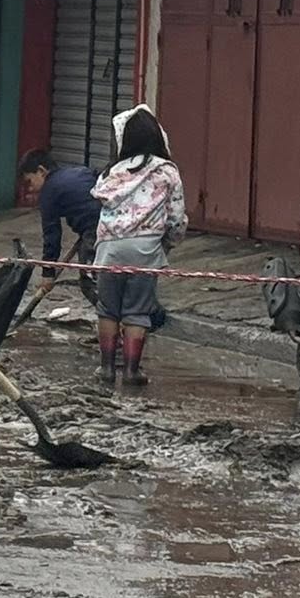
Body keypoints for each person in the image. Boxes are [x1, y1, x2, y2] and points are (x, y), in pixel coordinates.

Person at [90, 106, 186, 388]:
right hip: (145, 250)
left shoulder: (111, 172)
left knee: (107, 309)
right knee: (137, 310)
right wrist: (167, 244)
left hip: (108, 248)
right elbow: (176, 218)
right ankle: (131, 371)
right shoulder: (167, 171)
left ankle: (106, 369)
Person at [19, 149, 101, 291]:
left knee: (90, 284)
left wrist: (48, 273)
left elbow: (52, 236)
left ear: (41, 171)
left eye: (30, 181)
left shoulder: (49, 192)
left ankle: (109, 312)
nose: (30, 189)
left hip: (94, 232)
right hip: (113, 224)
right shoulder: (81, 172)